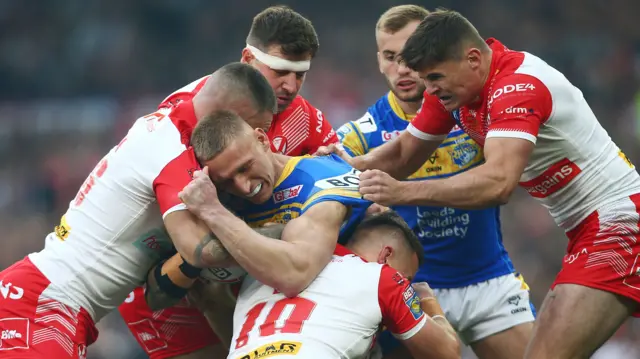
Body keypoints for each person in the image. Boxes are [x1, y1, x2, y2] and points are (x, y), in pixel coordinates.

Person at [323, 9, 640, 359]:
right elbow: (404, 153)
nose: (429, 90)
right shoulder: (455, 87)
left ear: (473, 59)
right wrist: (350, 167)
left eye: (435, 78)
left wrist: (403, 192)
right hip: (586, 229)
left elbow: (498, 182)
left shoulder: (517, 87)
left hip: (619, 222)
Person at [0, 62, 278, 358]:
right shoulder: (171, 150)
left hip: (45, 300)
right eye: (250, 127)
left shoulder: (177, 114)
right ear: (229, 115)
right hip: (43, 303)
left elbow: (224, 81)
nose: (254, 137)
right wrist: (286, 232)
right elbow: (198, 249)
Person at [118, 6, 341, 359]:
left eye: (301, 75)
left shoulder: (306, 120)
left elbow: (338, 188)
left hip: (254, 273)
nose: (291, 86)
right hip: (173, 283)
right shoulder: (187, 120)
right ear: (247, 58)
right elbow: (182, 243)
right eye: (280, 71)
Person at [335, 6, 533, 359]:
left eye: (412, 54)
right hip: (408, 292)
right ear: (379, 60)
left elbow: (504, 180)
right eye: (391, 57)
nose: (404, 68)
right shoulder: (357, 137)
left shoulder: (475, 111)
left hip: (489, 280)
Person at [142, 109, 375, 358]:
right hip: (259, 340)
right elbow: (156, 297)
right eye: (227, 180)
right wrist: (202, 254)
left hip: (340, 334)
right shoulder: (218, 200)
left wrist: (216, 215)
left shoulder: (322, 179)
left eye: (245, 168)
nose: (244, 187)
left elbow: (295, 275)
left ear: (263, 140)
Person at [223, 211, 460, 359]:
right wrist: (427, 301)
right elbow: (446, 354)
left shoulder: (259, 269)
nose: (407, 283)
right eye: (407, 276)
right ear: (386, 256)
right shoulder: (382, 277)